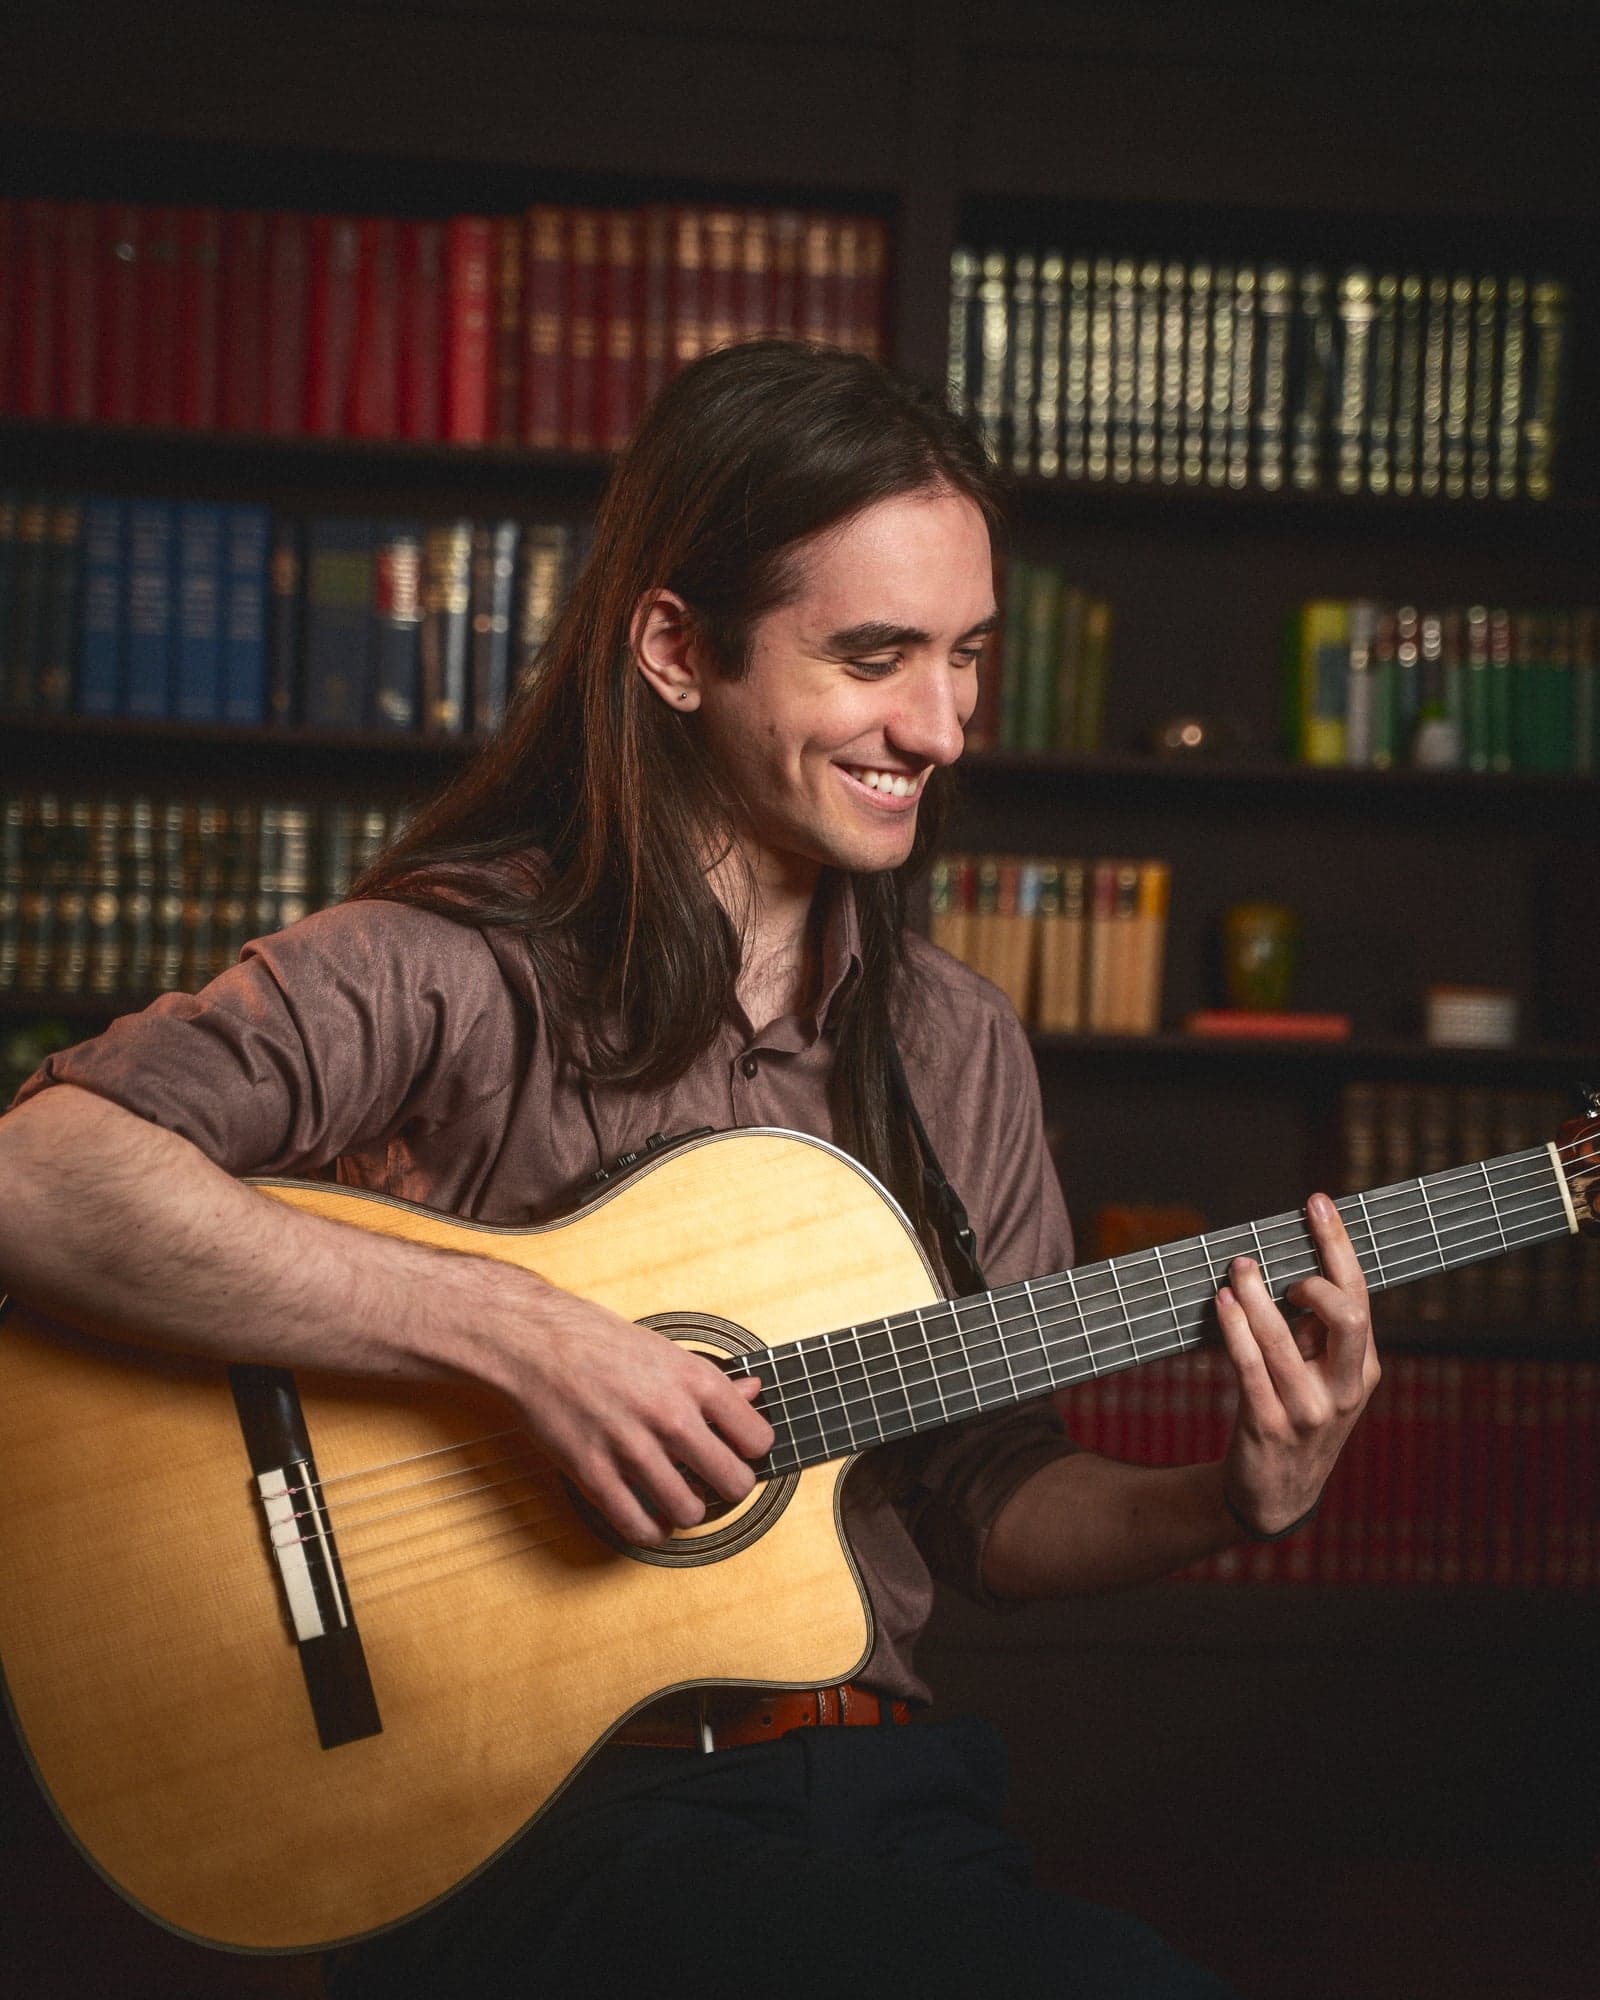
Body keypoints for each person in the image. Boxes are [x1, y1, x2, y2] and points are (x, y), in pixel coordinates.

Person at [0, 341, 1378, 1997]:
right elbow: (39, 1180)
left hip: (879, 1796)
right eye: (874, 657)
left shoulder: (955, 1044)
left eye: (966, 659)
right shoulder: (450, 965)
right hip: (548, 1825)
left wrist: (1227, 1500)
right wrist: (524, 1335)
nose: (939, 728)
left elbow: (991, 1511)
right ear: (674, 650)